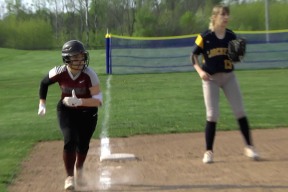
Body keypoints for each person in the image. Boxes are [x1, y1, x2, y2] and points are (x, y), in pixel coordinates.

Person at [190, 4, 260, 164]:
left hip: (229, 77)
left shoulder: (231, 35)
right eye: (222, 14)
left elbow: (235, 56)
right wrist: (200, 72)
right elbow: (193, 56)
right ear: (214, 17)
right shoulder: (205, 36)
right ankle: (209, 151)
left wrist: (238, 57)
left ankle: (249, 147)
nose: (226, 17)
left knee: (240, 111)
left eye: (227, 14)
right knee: (212, 115)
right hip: (211, 79)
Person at [37, 40, 102, 190]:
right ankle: (69, 177)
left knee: (83, 145)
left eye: (81, 56)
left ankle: (79, 170)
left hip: (87, 112)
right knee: (70, 139)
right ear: (67, 58)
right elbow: (44, 83)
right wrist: (42, 103)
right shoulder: (59, 71)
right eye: (75, 57)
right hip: (66, 110)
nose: (80, 60)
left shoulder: (89, 74)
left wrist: (79, 102)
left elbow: (98, 101)